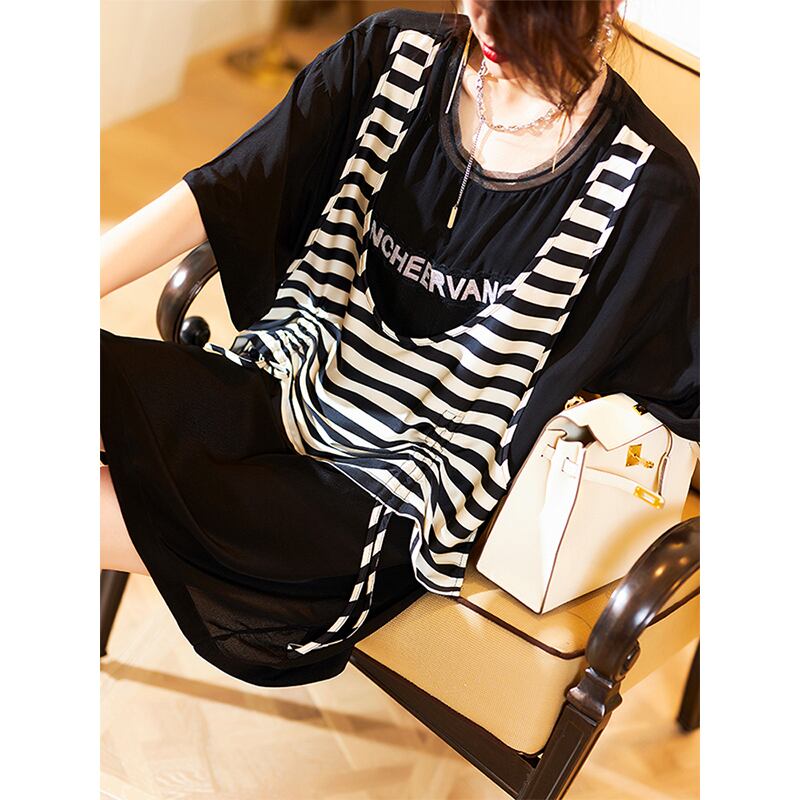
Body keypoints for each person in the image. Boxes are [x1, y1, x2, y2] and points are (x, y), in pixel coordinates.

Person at [100, 0, 699, 687]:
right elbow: (233, 183)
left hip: (386, 504)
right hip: (281, 382)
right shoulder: (392, 54)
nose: (484, 21)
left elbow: (694, 386)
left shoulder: (647, 188)